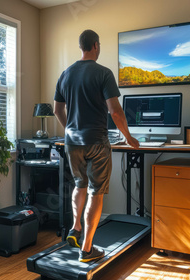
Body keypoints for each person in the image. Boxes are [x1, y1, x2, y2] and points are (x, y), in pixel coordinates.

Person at [53, 29, 139, 263]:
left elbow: (57, 110)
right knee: (96, 192)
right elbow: (115, 111)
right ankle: (87, 249)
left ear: (82, 46)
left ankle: (75, 228)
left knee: (80, 184)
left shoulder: (65, 74)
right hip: (97, 142)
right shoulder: (103, 73)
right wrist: (129, 138)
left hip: (73, 143)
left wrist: (69, 129)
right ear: (95, 46)